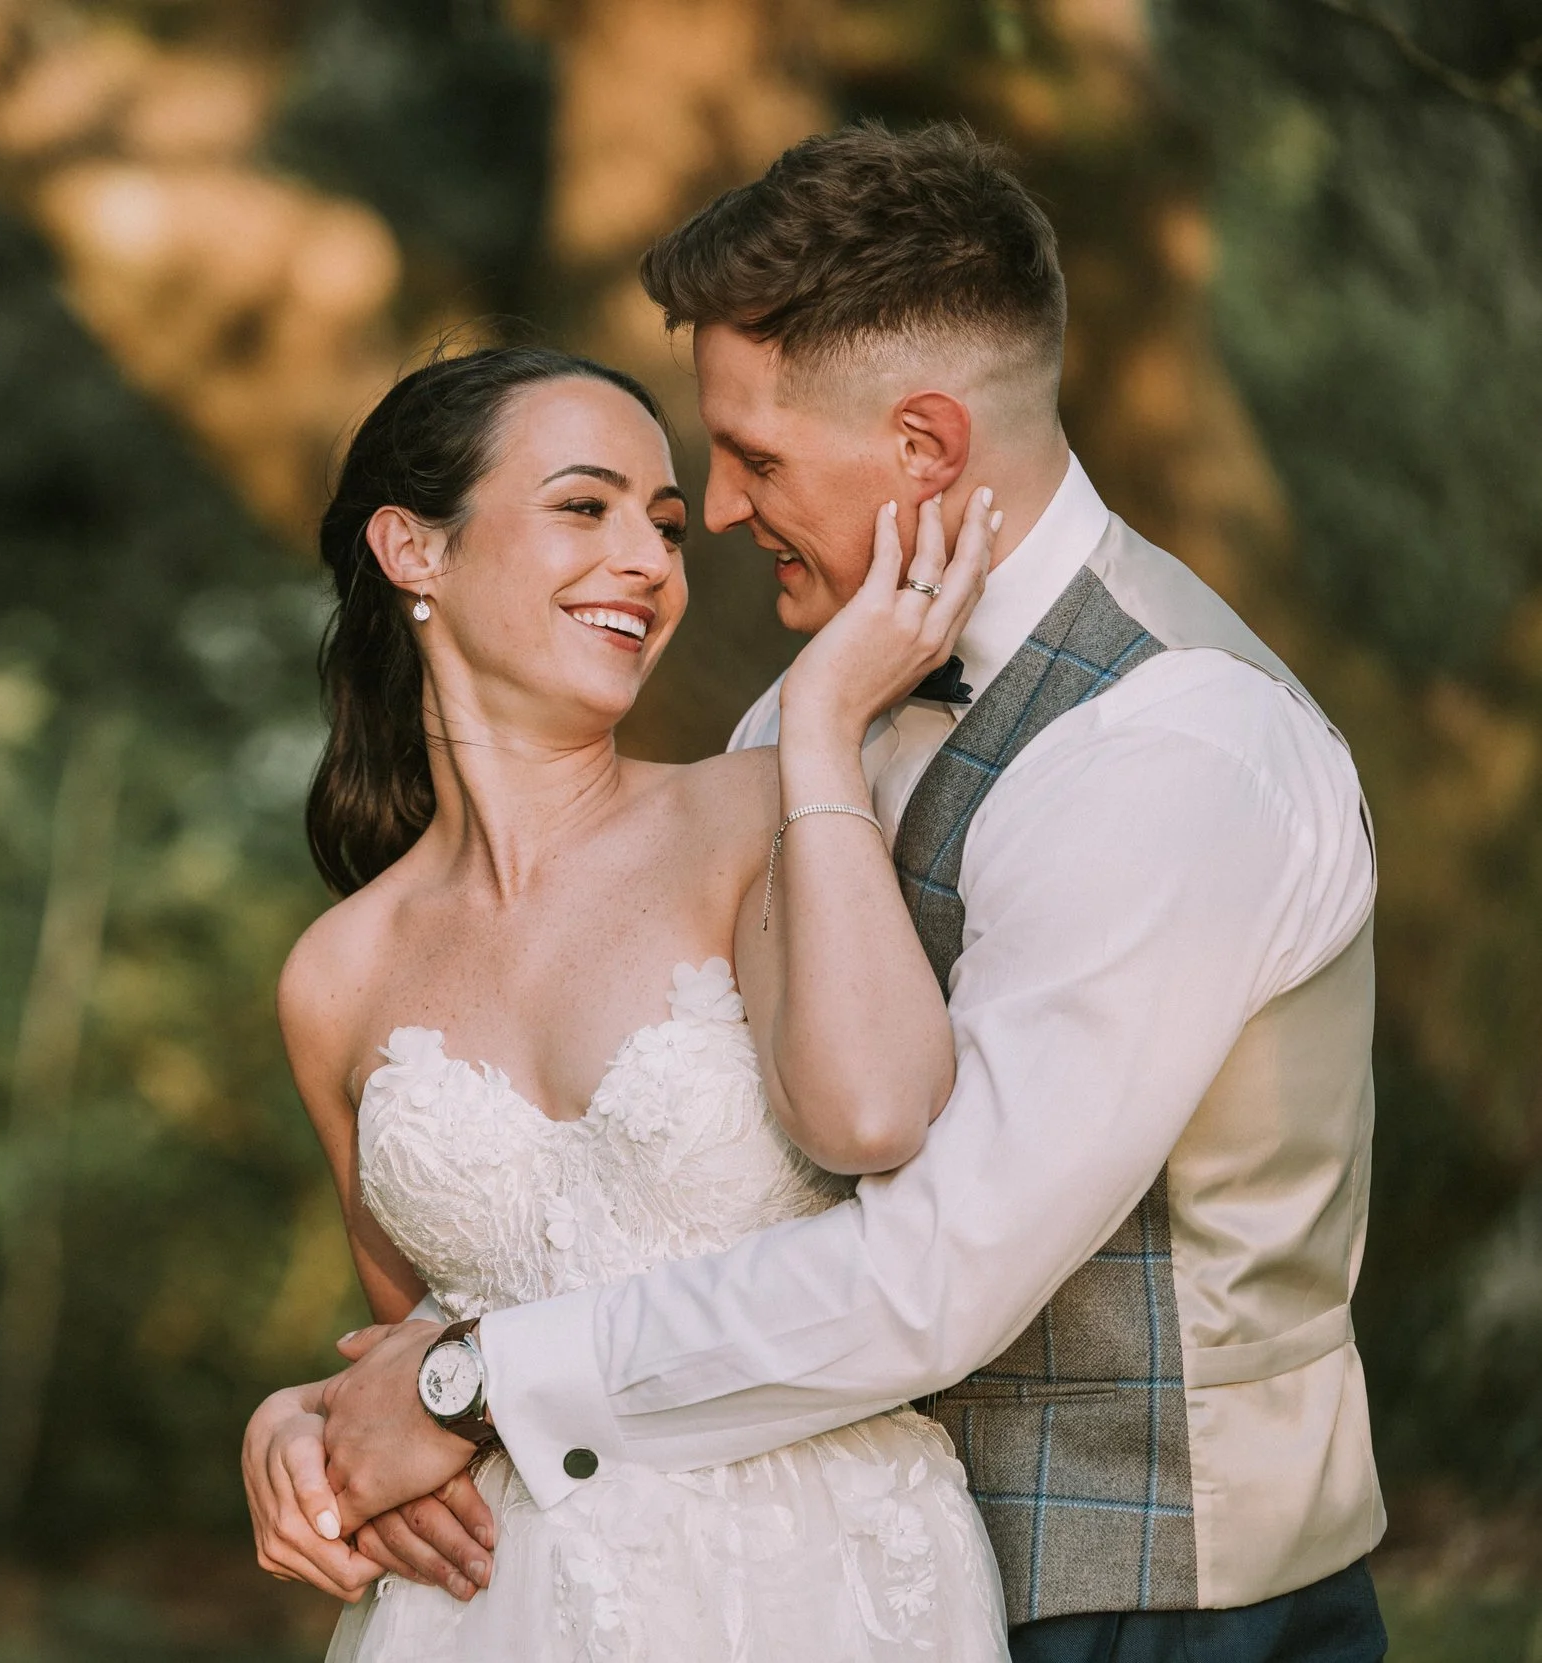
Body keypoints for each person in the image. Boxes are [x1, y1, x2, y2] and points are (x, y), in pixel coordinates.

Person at [248, 124, 1387, 1663]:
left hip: (1158, 1599)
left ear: (923, 448)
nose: (710, 519)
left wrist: (475, 1383)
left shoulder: (1180, 744)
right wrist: (323, 1423)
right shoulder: (793, 725)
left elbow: (933, 1271)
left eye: (750, 460)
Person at [250, 333, 1013, 1659]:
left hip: (818, 1591)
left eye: (665, 525)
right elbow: (417, 1344)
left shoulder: (757, 811)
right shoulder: (339, 974)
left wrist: (823, 722)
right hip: (491, 1615)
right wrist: (300, 1425)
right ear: (414, 549)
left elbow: (882, 1114)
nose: (653, 561)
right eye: (584, 507)